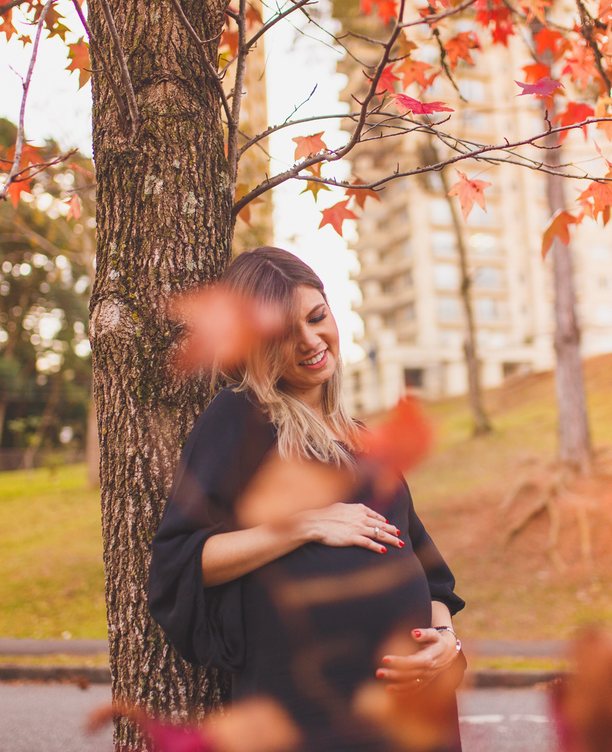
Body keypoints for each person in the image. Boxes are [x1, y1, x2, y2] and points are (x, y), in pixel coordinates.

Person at [148, 247, 465, 752]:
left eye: (318, 317)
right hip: (312, 716)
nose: (311, 341)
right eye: (284, 335)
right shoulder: (242, 418)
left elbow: (429, 576)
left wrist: (447, 641)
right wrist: (305, 524)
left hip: (413, 714)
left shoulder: (363, 440)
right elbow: (178, 562)